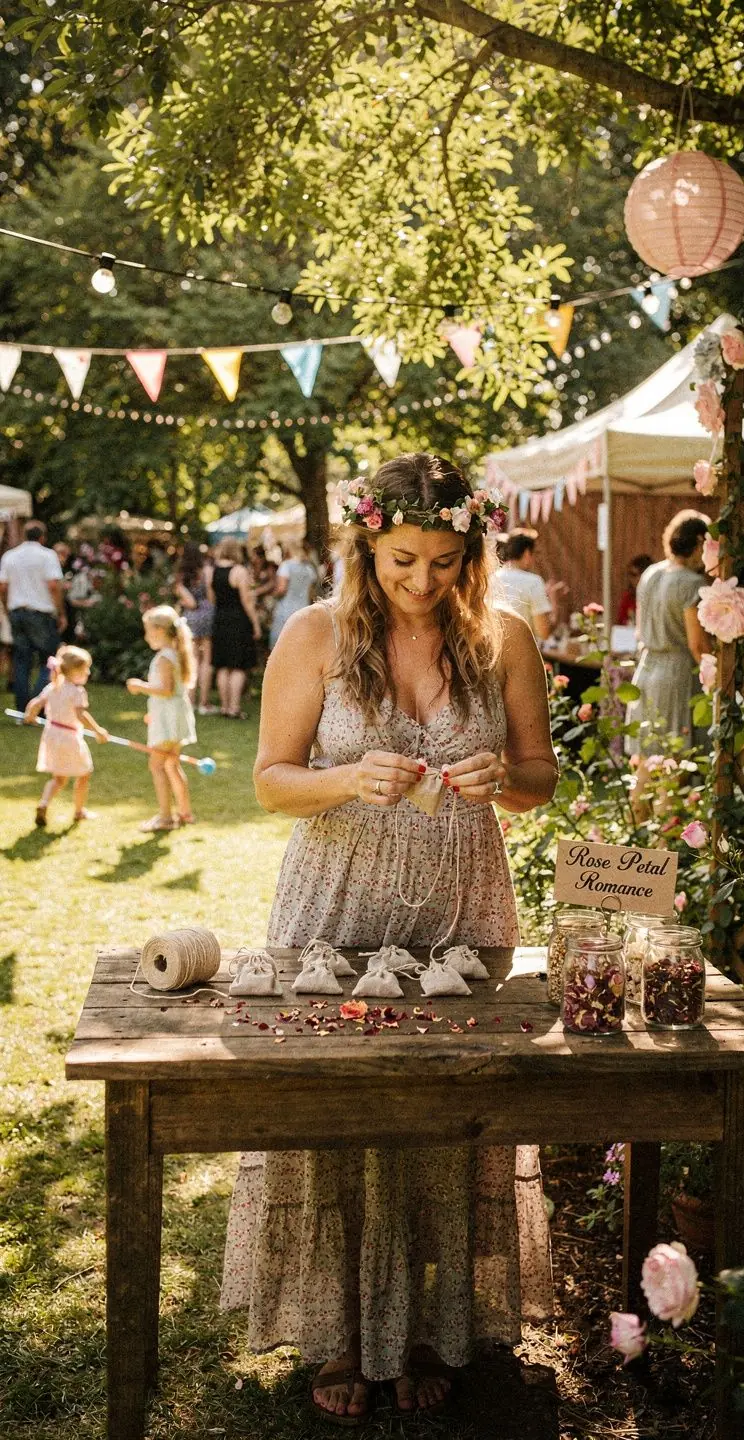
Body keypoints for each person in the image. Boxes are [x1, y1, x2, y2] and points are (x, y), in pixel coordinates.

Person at [220, 453, 559, 1424]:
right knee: (337, 1119)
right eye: (403, 559)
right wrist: (344, 779)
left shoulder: (507, 639)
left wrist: (510, 780)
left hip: (463, 906)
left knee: (446, 1122)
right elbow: (270, 779)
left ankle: (421, 1330)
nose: (421, 581)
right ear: (367, 543)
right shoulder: (315, 633)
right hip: (338, 903)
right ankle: (338, 1336)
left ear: (472, 554)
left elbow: (543, 779)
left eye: (445, 562)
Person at [625, 510, 709, 758]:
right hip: (677, 674)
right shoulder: (692, 583)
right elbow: (697, 645)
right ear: (699, 544)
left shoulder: (651, 573)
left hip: (647, 667)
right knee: (673, 760)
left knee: (645, 755)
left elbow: (640, 627)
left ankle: (637, 799)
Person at [125, 605, 197, 832]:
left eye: (147, 631)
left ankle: (166, 817)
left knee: (157, 765)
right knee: (172, 764)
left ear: (158, 630)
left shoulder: (164, 657)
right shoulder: (174, 654)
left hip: (169, 720)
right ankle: (184, 813)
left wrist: (140, 687)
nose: (146, 636)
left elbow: (165, 689)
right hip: (171, 717)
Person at [24, 644, 109, 827]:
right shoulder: (77, 691)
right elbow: (81, 715)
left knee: (58, 778)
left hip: (52, 736)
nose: (88, 673)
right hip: (70, 737)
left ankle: (44, 803)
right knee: (85, 774)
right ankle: (79, 811)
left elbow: (35, 703)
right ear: (74, 671)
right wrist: (97, 730)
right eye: (85, 669)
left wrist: (30, 715)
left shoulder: (53, 687)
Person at [0, 519, 66, 711]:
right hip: (41, 614)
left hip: (17, 613)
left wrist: (6, 608)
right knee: (50, 660)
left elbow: (2, 587)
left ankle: (22, 710)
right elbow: (53, 586)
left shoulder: (10, 556)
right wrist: (60, 612)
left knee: (21, 661)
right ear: (42, 537)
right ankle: (37, 705)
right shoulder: (47, 555)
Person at [208, 539, 262, 718]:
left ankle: (224, 707)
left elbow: (212, 599)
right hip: (238, 620)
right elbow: (246, 601)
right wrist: (255, 623)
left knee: (223, 665)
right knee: (238, 665)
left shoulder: (212, 571)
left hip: (220, 619)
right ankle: (234, 707)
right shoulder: (239, 571)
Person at [490, 528, 554, 642]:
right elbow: (543, 633)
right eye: (535, 554)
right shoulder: (533, 582)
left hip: (491, 650)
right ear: (527, 553)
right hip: (521, 652)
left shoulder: (490, 578)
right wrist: (554, 600)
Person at [174, 542, 216, 714]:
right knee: (206, 659)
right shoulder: (207, 571)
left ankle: (190, 700)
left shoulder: (181, 576)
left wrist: (182, 601)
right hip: (207, 615)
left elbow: (190, 603)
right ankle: (204, 702)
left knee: (192, 658)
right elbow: (212, 596)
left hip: (191, 618)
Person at [268, 539, 320, 649]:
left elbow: (282, 589)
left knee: (282, 645)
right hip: (303, 609)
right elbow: (311, 591)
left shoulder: (286, 566)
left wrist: (273, 595)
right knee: (301, 645)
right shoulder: (308, 567)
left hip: (286, 610)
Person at [616, 554, 653, 627]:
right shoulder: (628, 597)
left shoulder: (656, 598)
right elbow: (621, 623)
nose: (635, 579)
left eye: (636, 575)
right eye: (632, 574)